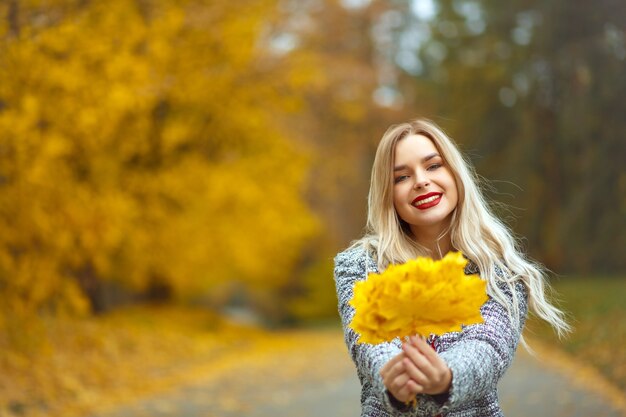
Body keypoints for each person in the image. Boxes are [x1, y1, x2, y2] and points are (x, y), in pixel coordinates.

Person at [333, 118, 570, 417]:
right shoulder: (359, 265)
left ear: (456, 174)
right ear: (387, 194)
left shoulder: (502, 272)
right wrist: (396, 381)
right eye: (401, 177)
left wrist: (444, 379)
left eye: (433, 166)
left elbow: (487, 347)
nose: (420, 181)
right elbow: (368, 343)